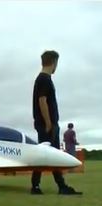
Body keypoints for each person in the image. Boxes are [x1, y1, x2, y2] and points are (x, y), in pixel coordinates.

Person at [31, 50, 81, 195]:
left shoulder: (43, 79)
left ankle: (42, 186)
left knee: (47, 155)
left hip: (47, 124)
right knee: (50, 155)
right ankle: (58, 186)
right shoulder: (44, 79)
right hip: (48, 124)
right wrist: (48, 123)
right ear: (54, 63)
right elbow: (42, 101)